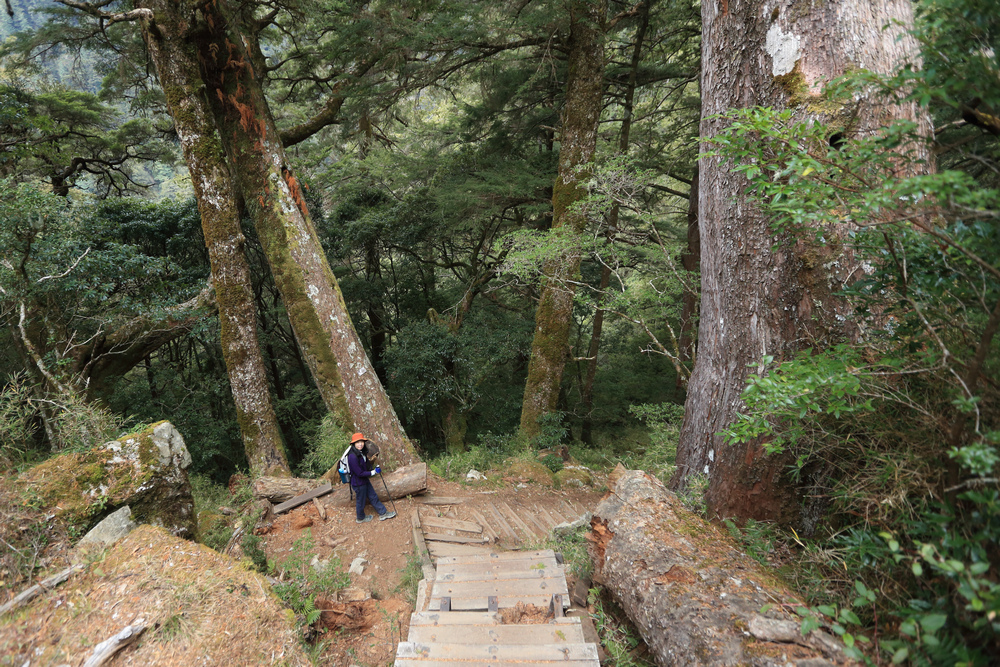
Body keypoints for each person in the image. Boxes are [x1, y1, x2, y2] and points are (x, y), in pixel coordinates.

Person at [347, 432, 396, 523]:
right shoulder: (352, 456)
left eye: (361, 441)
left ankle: (383, 513)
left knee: (373, 496)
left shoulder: (361, 452)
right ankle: (360, 518)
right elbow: (359, 473)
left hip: (364, 480)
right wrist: (373, 472)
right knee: (361, 501)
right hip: (358, 483)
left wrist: (374, 468)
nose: (360, 444)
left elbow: (365, 465)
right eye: (357, 442)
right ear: (353, 444)